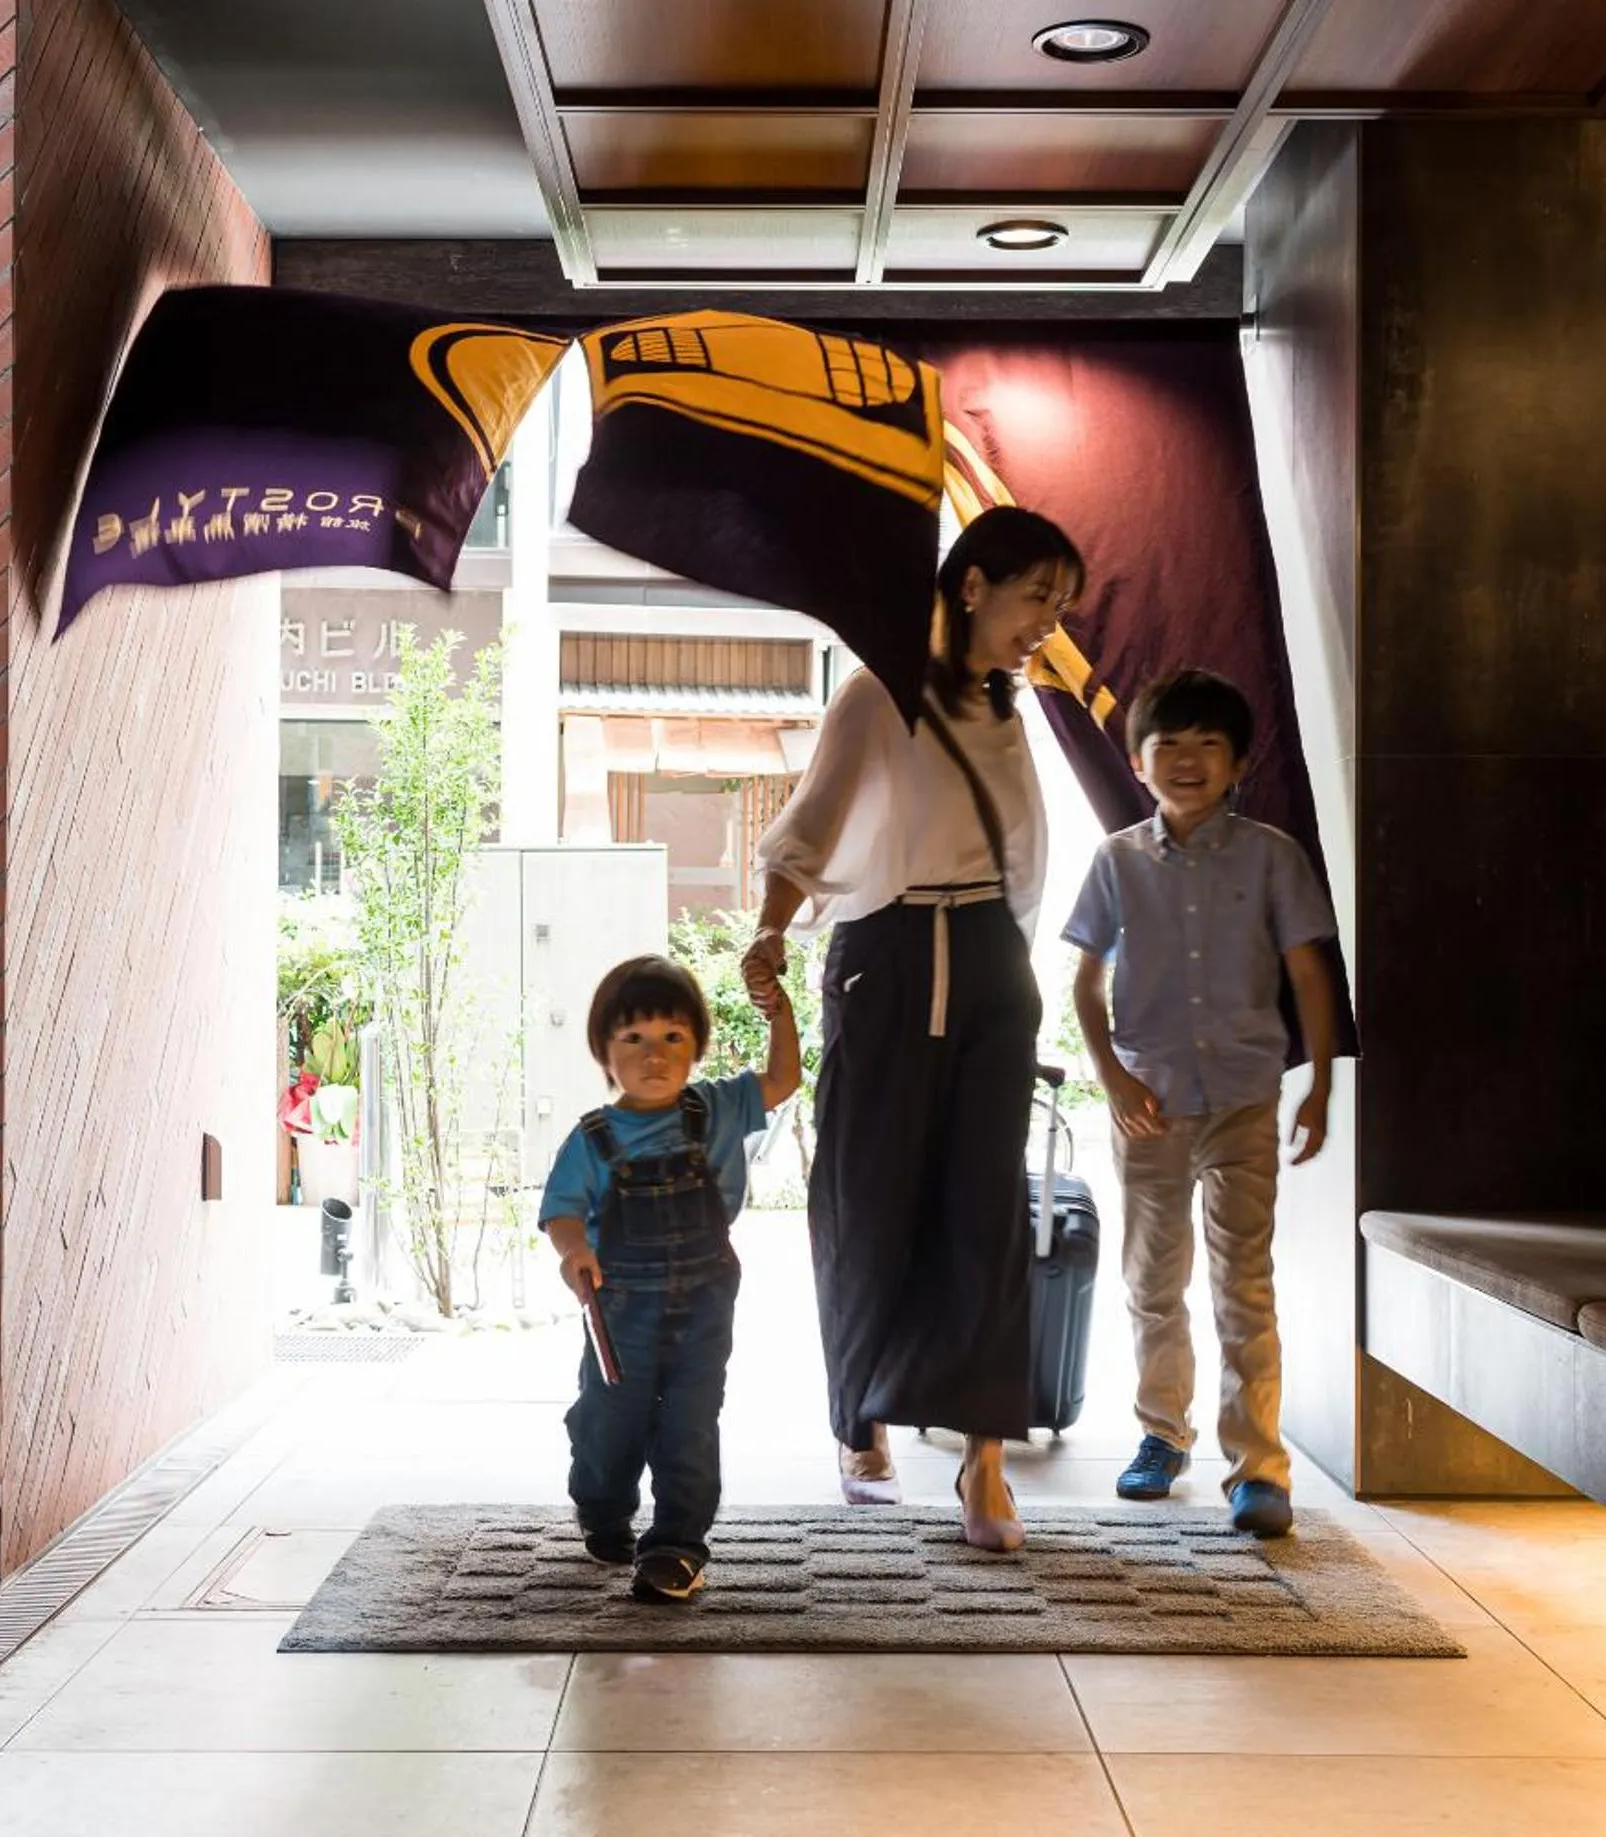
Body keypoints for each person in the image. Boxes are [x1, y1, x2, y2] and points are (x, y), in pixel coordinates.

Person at [746, 505, 1082, 1553]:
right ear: (971, 584)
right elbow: (806, 834)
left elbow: (1023, 856)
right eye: (1038, 598)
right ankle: (861, 1423)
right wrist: (765, 938)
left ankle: (984, 1460)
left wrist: (1015, 977)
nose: (1046, 623)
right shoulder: (873, 695)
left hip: (989, 962)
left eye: (1059, 606)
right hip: (882, 961)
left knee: (983, 1210)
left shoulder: (1004, 712)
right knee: (864, 1196)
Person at [1064, 668, 1340, 1539]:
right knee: (1152, 1279)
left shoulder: (1272, 856)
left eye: (1206, 746)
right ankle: (1160, 1435)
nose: (1186, 761)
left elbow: (1308, 972)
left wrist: (1322, 1081)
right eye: (1168, 746)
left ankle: (1258, 1467)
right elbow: (1083, 978)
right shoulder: (1115, 860)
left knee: (1243, 1283)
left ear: (1238, 761)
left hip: (1245, 1099)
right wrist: (1111, 1077)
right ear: (1140, 761)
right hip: (1148, 1104)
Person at [541, 954, 801, 1603]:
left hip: (704, 1302)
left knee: (690, 1420)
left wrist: (782, 1013)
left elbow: (784, 1077)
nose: (653, 1054)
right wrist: (574, 1252)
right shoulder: (593, 1137)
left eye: (672, 1038)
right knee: (611, 1419)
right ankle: (601, 1504)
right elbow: (563, 1211)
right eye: (633, 1038)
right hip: (619, 1307)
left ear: (696, 1047)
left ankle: (677, 1545)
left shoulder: (718, 1107)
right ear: (604, 1049)